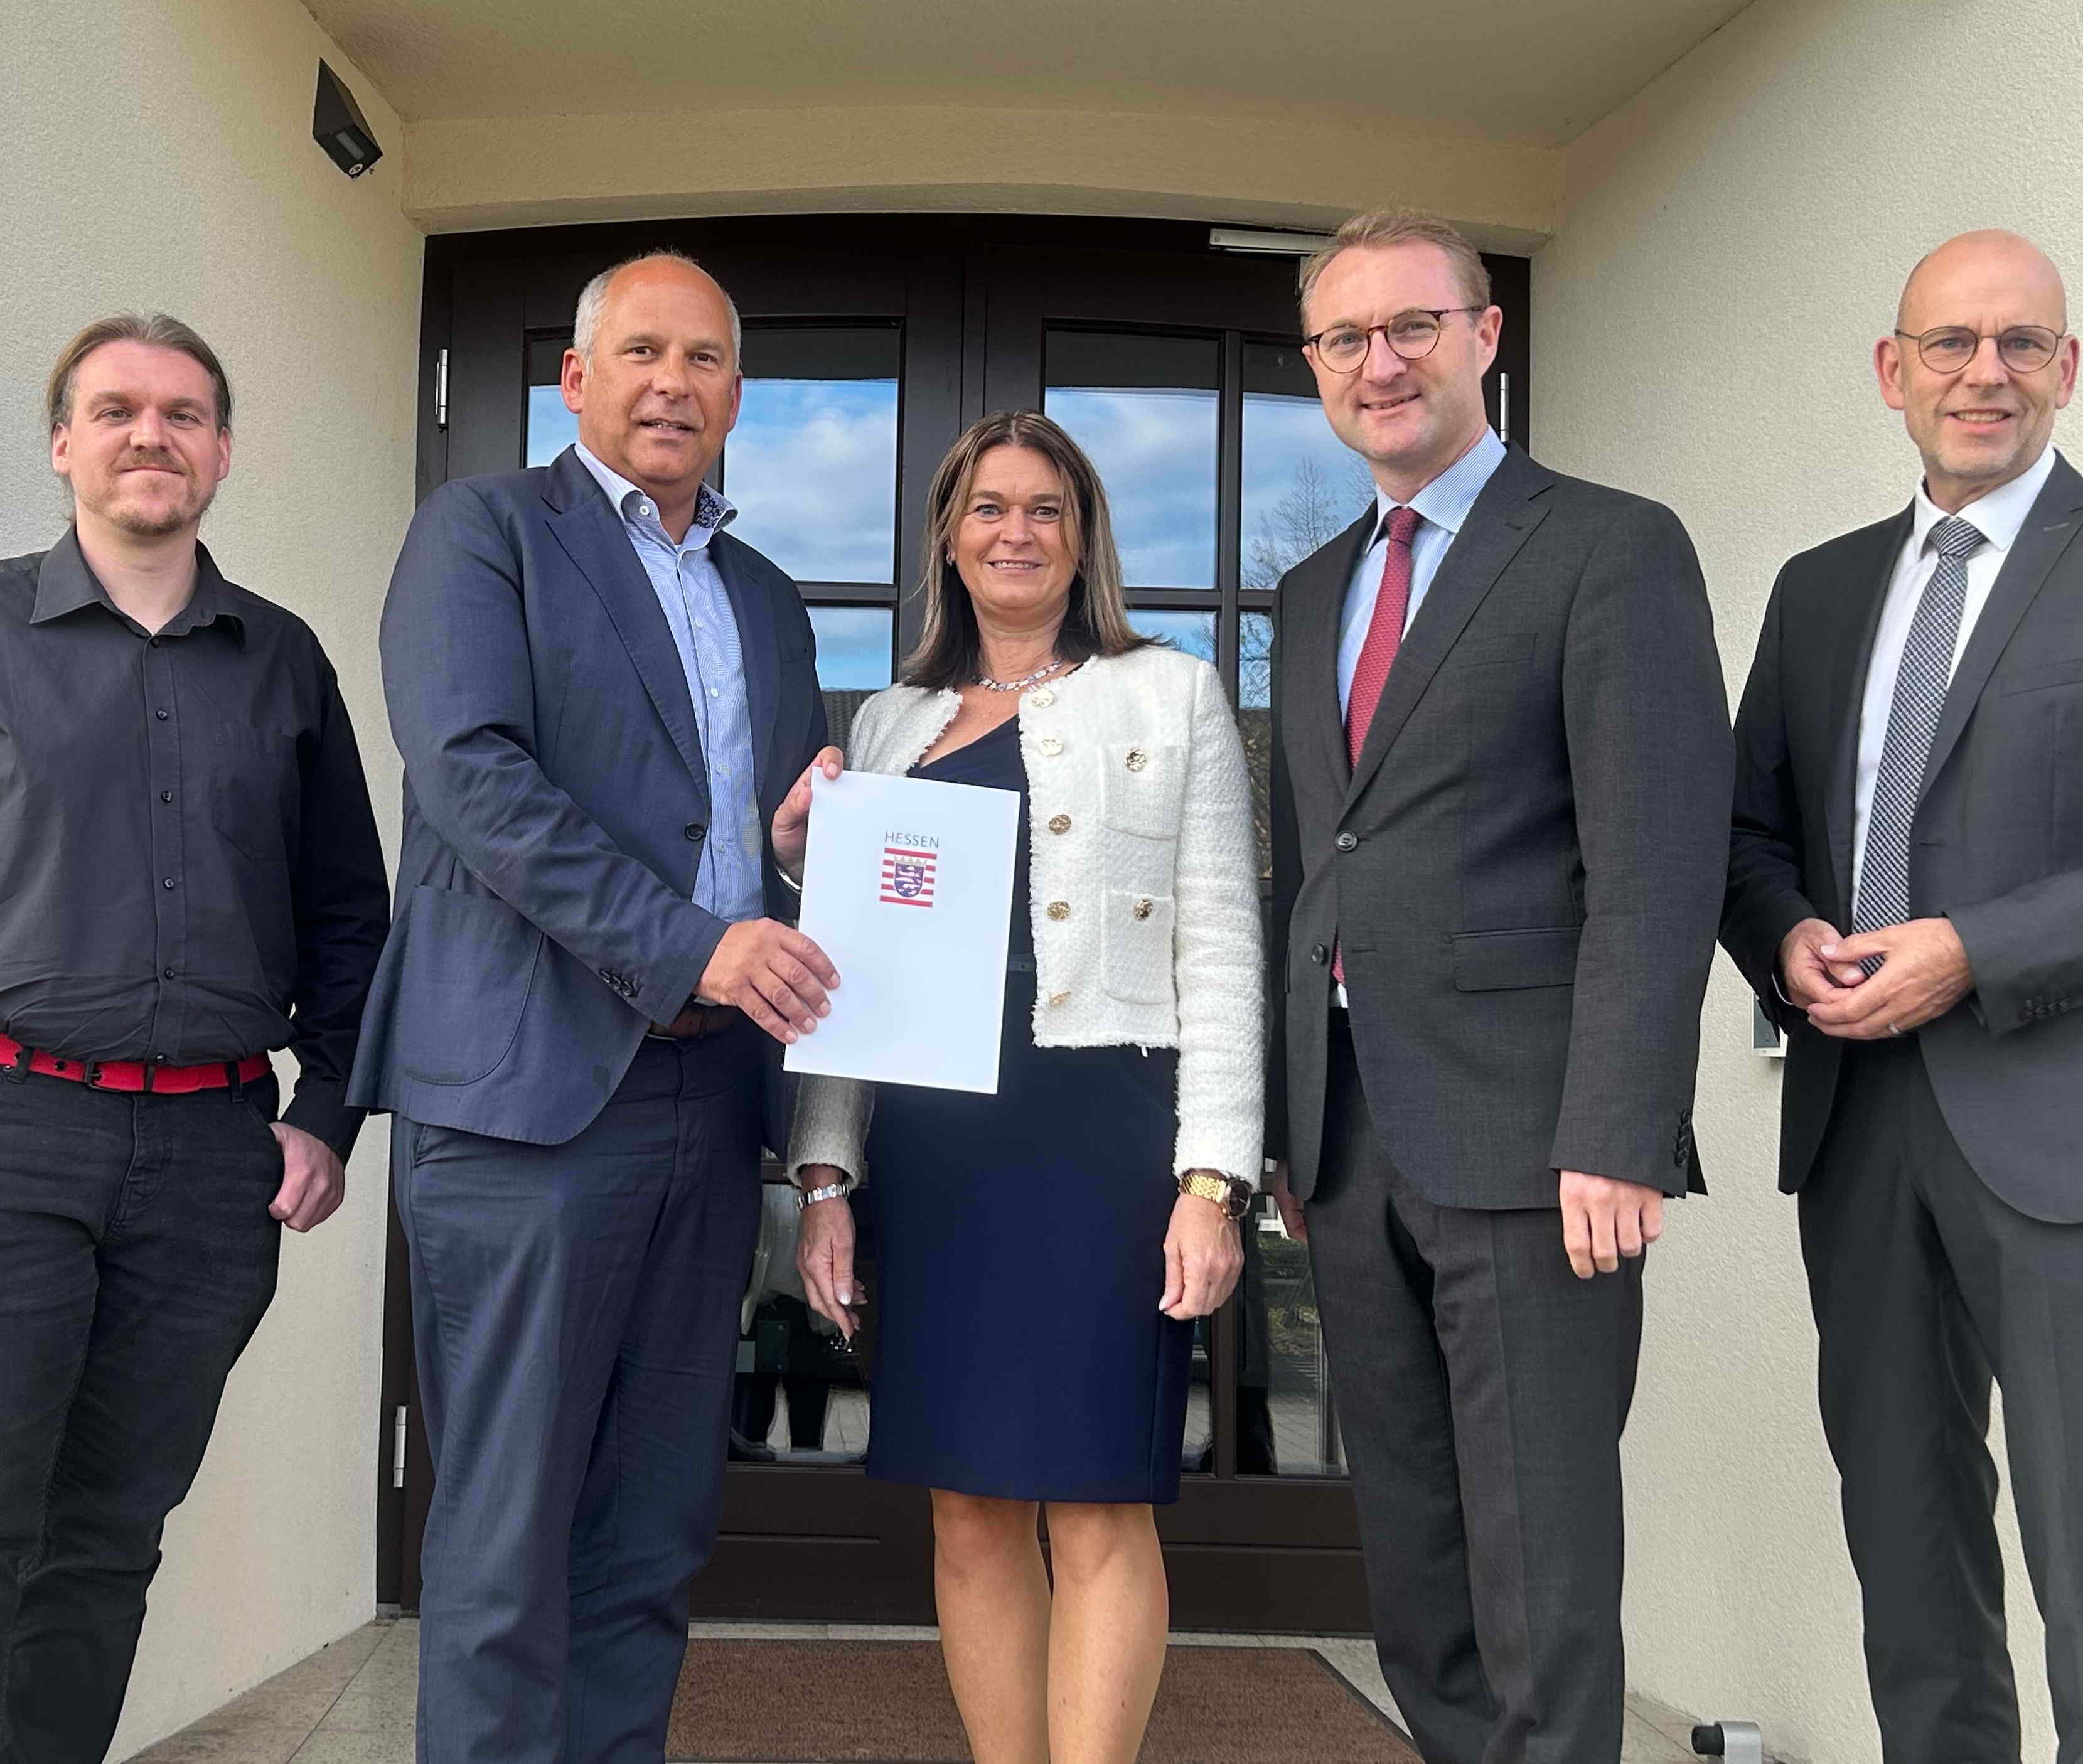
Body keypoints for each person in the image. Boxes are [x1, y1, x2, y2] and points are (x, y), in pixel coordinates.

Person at [0, 313, 390, 1764]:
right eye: (116, 409)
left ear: (223, 451)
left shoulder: (283, 663)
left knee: (107, 1536)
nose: (151, 435)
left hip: (208, 1155)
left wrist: (328, 1110)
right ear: (64, 443)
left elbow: (350, 919)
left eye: (184, 413)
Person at [349, 251, 837, 1764]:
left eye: (703, 360)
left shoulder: (765, 595)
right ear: (577, 379)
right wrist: (694, 941)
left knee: (648, 1537)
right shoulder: (483, 531)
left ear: (739, 397)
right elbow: (476, 780)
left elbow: (757, 830)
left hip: (709, 1099)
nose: (672, 383)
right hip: (527, 1099)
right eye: (641, 353)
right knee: (503, 1547)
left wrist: (801, 850)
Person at [1266, 210, 1731, 1761]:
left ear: (1484, 335)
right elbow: (1314, 859)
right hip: (1348, 1144)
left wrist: (1618, 1124)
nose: (1379, 362)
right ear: (1317, 369)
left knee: (1541, 1571)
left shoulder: (1609, 545)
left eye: (1412, 325)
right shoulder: (1316, 586)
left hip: (1538, 1146)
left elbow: (1655, 863)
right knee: (1415, 1565)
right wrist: (1283, 1121)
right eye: (1346, 339)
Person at [788, 410, 1262, 1764]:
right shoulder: (887, 722)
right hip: (938, 1150)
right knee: (968, 1504)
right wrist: (826, 1176)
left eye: (1045, 508)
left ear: (1083, 536)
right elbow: (843, 969)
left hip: (1102, 1137)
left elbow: (1224, 943)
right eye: (989, 507)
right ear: (948, 534)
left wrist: (1212, 1176)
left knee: (1099, 1500)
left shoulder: (1169, 693)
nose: (1016, 531)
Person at [1721, 229, 2083, 1764]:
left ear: (2069, 369)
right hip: (1858, 1125)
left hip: (2053, 1130)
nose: (1981, 373)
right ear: (1893, 371)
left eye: (2018, 343)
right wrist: (1790, 934)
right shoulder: (1818, 592)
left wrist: (1972, 949)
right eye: (1949, 343)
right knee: (1908, 1535)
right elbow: (1745, 833)